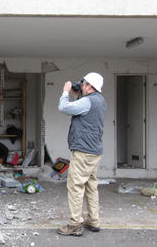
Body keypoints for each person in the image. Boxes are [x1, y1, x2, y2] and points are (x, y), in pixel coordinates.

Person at [57, 72, 107, 236]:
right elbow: (83, 112)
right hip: (94, 151)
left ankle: (74, 225)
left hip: (83, 151)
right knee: (91, 186)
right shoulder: (100, 101)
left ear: (89, 86)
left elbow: (64, 107)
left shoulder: (87, 101)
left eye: (83, 82)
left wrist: (66, 92)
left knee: (75, 186)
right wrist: (78, 95)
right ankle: (93, 221)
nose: (81, 84)